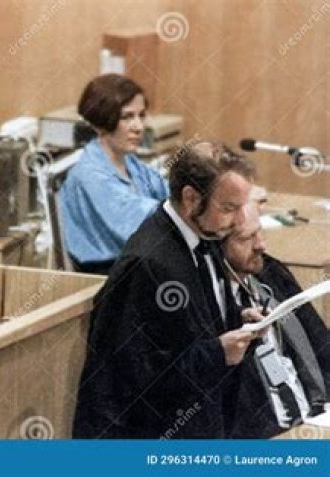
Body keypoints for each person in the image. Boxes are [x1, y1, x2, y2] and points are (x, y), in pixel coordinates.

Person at [73, 141, 264, 439]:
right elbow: (136, 380)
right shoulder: (147, 264)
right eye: (229, 208)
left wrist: (238, 321)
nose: (239, 220)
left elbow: (191, 328)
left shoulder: (206, 235)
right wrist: (218, 353)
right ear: (191, 198)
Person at [222, 203, 329, 437]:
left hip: (317, 416)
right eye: (246, 238)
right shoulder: (211, 311)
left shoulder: (270, 273)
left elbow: (322, 344)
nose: (261, 245)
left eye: (259, 231)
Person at [59, 73, 168, 274]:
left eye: (141, 115)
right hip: (110, 278)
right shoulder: (89, 174)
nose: (138, 127)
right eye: (127, 117)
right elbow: (141, 222)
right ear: (102, 121)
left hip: (138, 267)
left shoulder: (130, 163)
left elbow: (166, 191)